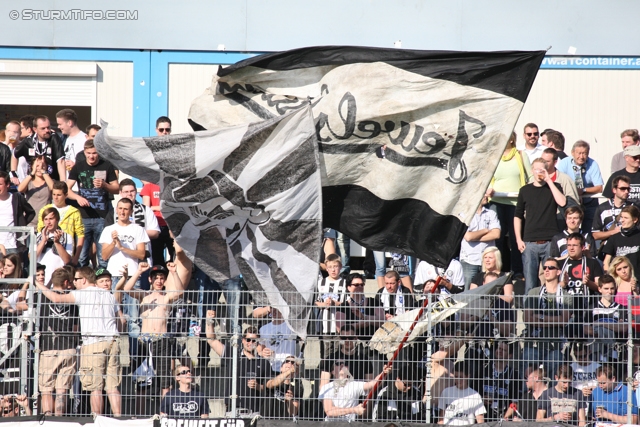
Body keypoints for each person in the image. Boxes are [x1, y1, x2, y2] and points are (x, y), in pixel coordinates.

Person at [34, 266, 126, 416]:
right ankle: (118, 418)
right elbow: (121, 321)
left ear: (83, 280)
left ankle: (97, 420)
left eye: (76, 279)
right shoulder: (109, 295)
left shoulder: (82, 294)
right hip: (113, 341)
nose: (74, 282)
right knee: (112, 386)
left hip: (94, 343)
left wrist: (36, 283)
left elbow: (57, 298)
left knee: (95, 387)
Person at [118, 260, 189, 397]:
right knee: (141, 383)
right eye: (156, 278)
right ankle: (139, 416)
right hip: (145, 341)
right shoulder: (143, 295)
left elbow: (180, 292)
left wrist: (173, 273)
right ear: (150, 279)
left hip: (162, 341)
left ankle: (163, 415)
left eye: (162, 278)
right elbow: (126, 289)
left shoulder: (166, 297)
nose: (159, 281)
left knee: (165, 381)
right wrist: (138, 271)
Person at [99, 197, 150, 337]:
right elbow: (104, 256)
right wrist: (114, 243)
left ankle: (134, 358)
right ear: (116, 209)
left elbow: (141, 254)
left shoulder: (138, 229)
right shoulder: (109, 229)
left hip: (133, 277)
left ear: (131, 211)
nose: (122, 212)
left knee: (133, 319)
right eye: (120, 208)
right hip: (113, 276)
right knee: (112, 316)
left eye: (126, 209)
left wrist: (122, 247)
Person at [514, 157, 566, 293]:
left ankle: (552, 308)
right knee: (530, 282)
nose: (539, 173)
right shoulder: (525, 190)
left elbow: (562, 202)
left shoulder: (555, 187)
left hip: (550, 241)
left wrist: (549, 180)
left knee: (551, 280)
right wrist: (519, 240)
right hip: (529, 242)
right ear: (532, 170)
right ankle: (529, 312)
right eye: (536, 169)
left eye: (542, 169)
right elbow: (517, 216)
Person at [66, 139, 119, 268]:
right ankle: (82, 283)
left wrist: (105, 185)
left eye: (94, 153)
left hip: (102, 216)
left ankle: (102, 283)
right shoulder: (78, 166)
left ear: (99, 153)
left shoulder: (106, 166)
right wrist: (77, 197)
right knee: (82, 255)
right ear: (84, 152)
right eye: (88, 153)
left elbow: (117, 188)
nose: (91, 156)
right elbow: (66, 190)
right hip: (84, 216)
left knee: (103, 256)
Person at [486, 131, 532, 275]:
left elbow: (530, 176)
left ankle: (517, 271)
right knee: (497, 238)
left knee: (515, 238)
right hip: (496, 201)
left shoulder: (520, 155)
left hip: (515, 203)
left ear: (511, 139)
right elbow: (486, 178)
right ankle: (498, 270)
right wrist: (489, 189)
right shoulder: (493, 157)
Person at [38, 268, 80, 416]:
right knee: (62, 390)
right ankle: (59, 419)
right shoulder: (72, 299)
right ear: (67, 282)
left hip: (48, 348)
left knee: (46, 389)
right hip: (68, 348)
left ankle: (48, 419)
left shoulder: (41, 297)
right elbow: (75, 328)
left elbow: (18, 306)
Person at [522, 258, 573, 378]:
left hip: (555, 346)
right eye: (545, 268)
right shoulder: (533, 292)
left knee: (555, 374)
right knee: (528, 377)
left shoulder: (566, 296)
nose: (546, 270)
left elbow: (563, 321)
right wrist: (553, 319)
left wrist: (539, 317)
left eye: (550, 267)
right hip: (533, 344)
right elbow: (528, 319)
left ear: (558, 272)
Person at [206, 324, 271, 416]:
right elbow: (211, 341)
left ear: (258, 342)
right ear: (243, 340)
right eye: (248, 340)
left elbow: (269, 387)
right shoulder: (233, 355)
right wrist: (209, 320)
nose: (250, 343)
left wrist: (257, 386)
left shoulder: (264, 362)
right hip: (233, 411)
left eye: (254, 340)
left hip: (253, 412)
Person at [557, 140, 604, 233]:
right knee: (567, 232)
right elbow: (558, 183)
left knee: (589, 233)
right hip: (570, 203)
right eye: (579, 153)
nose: (581, 157)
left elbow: (599, 187)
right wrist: (573, 190)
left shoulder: (593, 164)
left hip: (589, 204)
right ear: (572, 153)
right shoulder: (564, 163)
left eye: (584, 153)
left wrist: (583, 190)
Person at [36, 181, 84, 266]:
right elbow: (40, 230)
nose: (55, 198)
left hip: (66, 250)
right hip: (45, 252)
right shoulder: (45, 210)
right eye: (54, 194)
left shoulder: (74, 212)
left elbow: (80, 235)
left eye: (59, 195)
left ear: (66, 195)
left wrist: (76, 257)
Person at [319, 364, 390, 421]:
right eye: (338, 364)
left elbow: (372, 384)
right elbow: (329, 411)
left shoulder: (354, 385)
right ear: (333, 372)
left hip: (350, 425)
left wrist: (383, 373)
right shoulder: (327, 388)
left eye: (345, 364)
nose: (342, 365)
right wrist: (354, 410)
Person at [460, 195, 501, 289]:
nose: (486, 196)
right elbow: (468, 237)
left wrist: (474, 236)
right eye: (483, 194)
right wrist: (485, 230)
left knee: (489, 290)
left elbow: (496, 234)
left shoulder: (491, 213)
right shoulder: (464, 214)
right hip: (469, 260)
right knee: (468, 293)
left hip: (488, 261)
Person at [584, 275, 627, 362]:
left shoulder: (622, 308)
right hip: (595, 347)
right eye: (606, 289)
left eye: (612, 288)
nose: (609, 292)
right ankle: (606, 354)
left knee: (601, 328)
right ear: (600, 289)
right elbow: (585, 329)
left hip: (616, 347)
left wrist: (601, 324)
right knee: (602, 330)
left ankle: (606, 355)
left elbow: (624, 328)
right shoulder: (592, 308)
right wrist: (605, 330)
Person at [12, 115, 66, 181]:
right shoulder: (28, 141)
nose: (47, 130)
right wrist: (14, 174)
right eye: (43, 128)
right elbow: (14, 155)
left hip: (51, 180)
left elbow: (61, 161)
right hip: (33, 182)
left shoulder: (54, 137)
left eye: (48, 127)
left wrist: (63, 182)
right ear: (35, 129)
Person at [319, 325, 374, 390]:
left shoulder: (365, 360)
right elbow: (323, 387)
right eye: (344, 338)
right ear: (340, 339)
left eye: (350, 338)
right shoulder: (331, 359)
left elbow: (370, 387)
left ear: (355, 338)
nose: (347, 340)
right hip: (336, 397)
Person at [476, 341, 520, 421]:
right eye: (499, 348)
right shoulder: (483, 370)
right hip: (482, 418)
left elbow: (515, 402)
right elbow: (473, 394)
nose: (499, 351)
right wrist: (481, 399)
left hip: (503, 418)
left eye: (504, 350)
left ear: (509, 355)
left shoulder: (514, 375)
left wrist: (504, 419)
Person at [593, 175, 633, 260]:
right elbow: (595, 235)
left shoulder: (633, 207)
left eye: (628, 189)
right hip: (609, 251)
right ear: (614, 190)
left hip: (629, 250)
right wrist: (613, 232)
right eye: (622, 188)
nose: (626, 191)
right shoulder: (602, 208)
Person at [314, 253, 347, 356]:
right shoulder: (321, 283)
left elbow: (346, 303)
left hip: (339, 326)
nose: (333, 270)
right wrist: (324, 304)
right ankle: (325, 371)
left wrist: (334, 303)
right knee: (326, 354)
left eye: (335, 266)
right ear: (326, 268)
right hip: (324, 326)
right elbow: (316, 302)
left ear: (340, 267)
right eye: (330, 267)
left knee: (338, 354)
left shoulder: (344, 283)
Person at [336, 273, 384, 340]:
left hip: (374, 342)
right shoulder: (343, 306)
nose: (360, 287)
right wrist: (359, 325)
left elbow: (382, 321)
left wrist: (364, 317)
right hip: (352, 344)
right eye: (356, 285)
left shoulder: (373, 302)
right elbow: (340, 329)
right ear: (348, 287)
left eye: (361, 285)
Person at [36, 207, 74, 285]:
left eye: (51, 219)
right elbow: (32, 257)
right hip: (41, 278)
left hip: (58, 279)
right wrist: (43, 241)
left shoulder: (67, 237)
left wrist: (57, 242)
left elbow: (67, 260)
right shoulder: (38, 236)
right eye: (46, 219)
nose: (48, 222)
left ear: (57, 219)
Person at [258, 307, 297, 373]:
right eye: (272, 308)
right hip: (269, 369)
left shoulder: (292, 327)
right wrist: (263, 352)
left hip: (287, 368)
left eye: (277, 308)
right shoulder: (263, 329)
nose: (274, 311)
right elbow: (260, 349)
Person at [602, 205, 640, 272]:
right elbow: (606, 262)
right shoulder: (614, 238)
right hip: (619, 280)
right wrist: (609, 277)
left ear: (635, 220)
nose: (622, 220)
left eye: (626, 218)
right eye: (621, 217)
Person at [18, 155, 54, 226]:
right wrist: (32, 173)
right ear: (32, 166)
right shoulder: (29, 182)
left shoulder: (49, 181)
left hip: (46, 223)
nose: (40, 168)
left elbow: (53, 188)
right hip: (30, 222)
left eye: (43, 165)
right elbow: (20, 189)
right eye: (37, 166)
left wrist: (43, 171)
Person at [56, 108, 87, 175]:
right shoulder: (63, 139)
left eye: (60, 124)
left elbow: (91, 162)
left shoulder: (84, 139)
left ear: (70, 123)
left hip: (79, 183)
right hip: (67, 183)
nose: (58, 127)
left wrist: (75, 166)